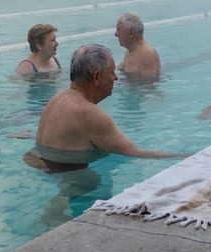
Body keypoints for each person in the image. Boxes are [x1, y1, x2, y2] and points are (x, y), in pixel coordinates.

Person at [25, 43, 184, 173]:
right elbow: (137, 154)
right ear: (96, 77)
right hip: (75, 179)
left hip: (41, 165)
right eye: (111, 72)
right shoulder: (90, 114)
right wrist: (188, 156)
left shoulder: (56, 100)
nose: (115, 78)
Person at [114, 12, 161, 80]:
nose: (115, 34)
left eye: (118, 29)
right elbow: (118, 70)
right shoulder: (129, 51)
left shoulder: (147, 54)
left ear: (131, 32)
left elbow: (149, 87)